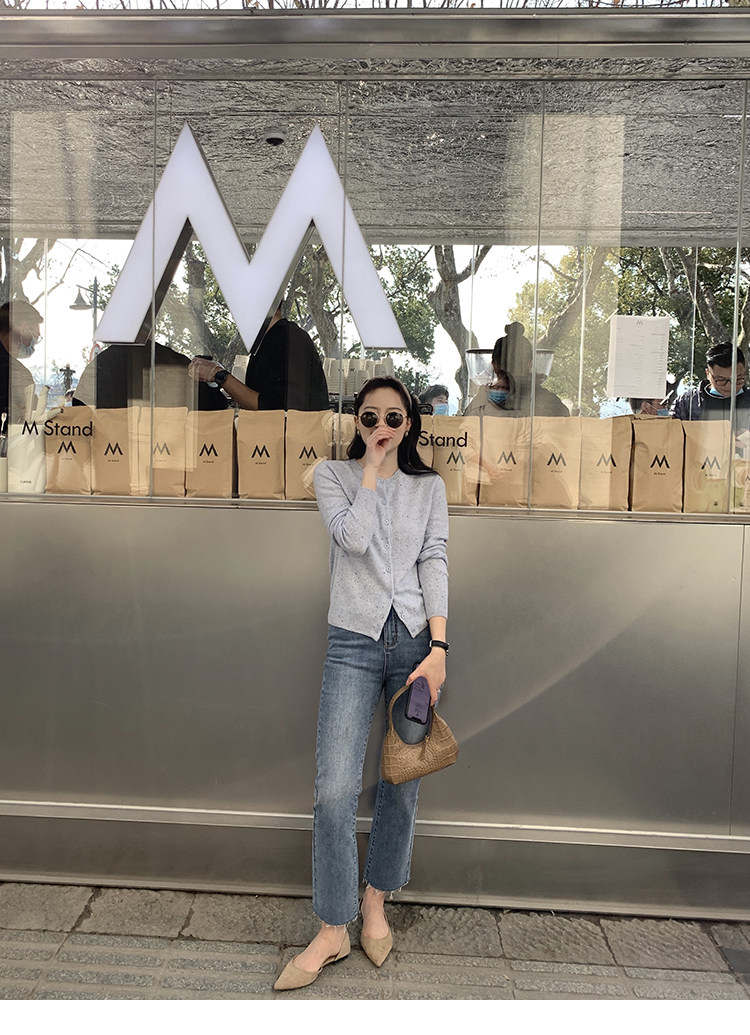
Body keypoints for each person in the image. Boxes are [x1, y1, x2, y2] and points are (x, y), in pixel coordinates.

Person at [273, 375, 449, 991]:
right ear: (357, 422)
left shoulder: (430, 487)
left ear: (410, 424)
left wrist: (440, 648)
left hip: (416, 644)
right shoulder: (333, 477)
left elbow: (434, 559)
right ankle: (332, 926)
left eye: (394, 418)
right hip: (352, 640)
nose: (382, 427)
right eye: (370, 417)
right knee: (334, 789)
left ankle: (376, 899)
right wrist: (371, 471)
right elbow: (352, 540)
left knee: (401, 781)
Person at [188, 305, 329, 411]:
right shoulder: (270, 340)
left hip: (292, 439)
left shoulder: (289, 338)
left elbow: (271, 407)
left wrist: (218, 375)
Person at [73, 341, 227, 410]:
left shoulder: (103, 363)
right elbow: (216, 406)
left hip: (112, 452)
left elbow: (80, 413)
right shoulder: (173, 360)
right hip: (172, 452)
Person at [464, 322, 569, 418]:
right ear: (530, 364)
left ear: (494, 365)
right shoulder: (553, 404)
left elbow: (462, 430)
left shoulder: (478, 407)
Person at [671, 343, 750, 424]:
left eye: (737, 379)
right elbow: (671, 428)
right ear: (708, 374)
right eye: (721, 380)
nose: (729, 386)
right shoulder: (687, 402)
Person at [0, 299, 42, 423]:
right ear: (23, 328)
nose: (33, 345)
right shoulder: (14, 373)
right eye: (35, 337)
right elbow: (28, 419)